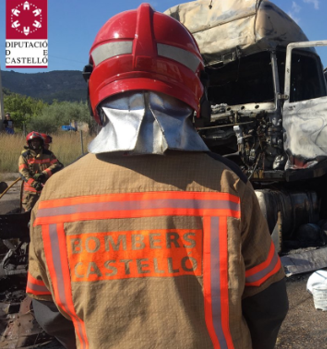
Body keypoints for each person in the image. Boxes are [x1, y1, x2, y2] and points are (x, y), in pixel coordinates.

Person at [26, 4, 288, 349]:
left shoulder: (55, 195)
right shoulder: (227, 185)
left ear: (96, 85)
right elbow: (268, 303)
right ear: (196, 87)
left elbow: (46, 309)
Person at [18, 131, 63, 211]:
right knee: (28, 214)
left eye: (37, 141)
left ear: (41, 142)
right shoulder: (25, 156)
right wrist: (33, 183)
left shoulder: (48, 154)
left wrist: (44, 173)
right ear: (29, 143)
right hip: (30, 193)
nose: (35, 143)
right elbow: (23, 172)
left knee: (47, 212)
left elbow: (58, 165)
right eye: (33, 141)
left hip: (46, 191)